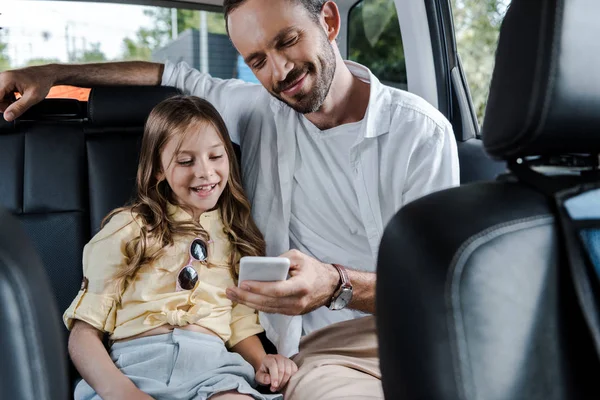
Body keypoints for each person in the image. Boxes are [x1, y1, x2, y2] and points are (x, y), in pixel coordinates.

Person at [0, 0, 460, 398]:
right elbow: (169, 75)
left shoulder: (420, 133)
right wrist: (54, 74)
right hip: (328, 350)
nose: (279, 71)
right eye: (257, 60)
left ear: (330, 22)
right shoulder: (259, 109)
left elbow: (438, 287)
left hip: (420, 332)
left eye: (288, 40)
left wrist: (335, 283)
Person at [62, 95, 297, 400]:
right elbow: (83, 334)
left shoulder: (237, 237)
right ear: (158, 169)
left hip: (214, 372)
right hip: (133, 371)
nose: (205, 172)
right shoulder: (127, 228)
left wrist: (261, 359)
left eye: (216, 156)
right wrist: (120, 391)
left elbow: (240, 324)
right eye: (186, 161)